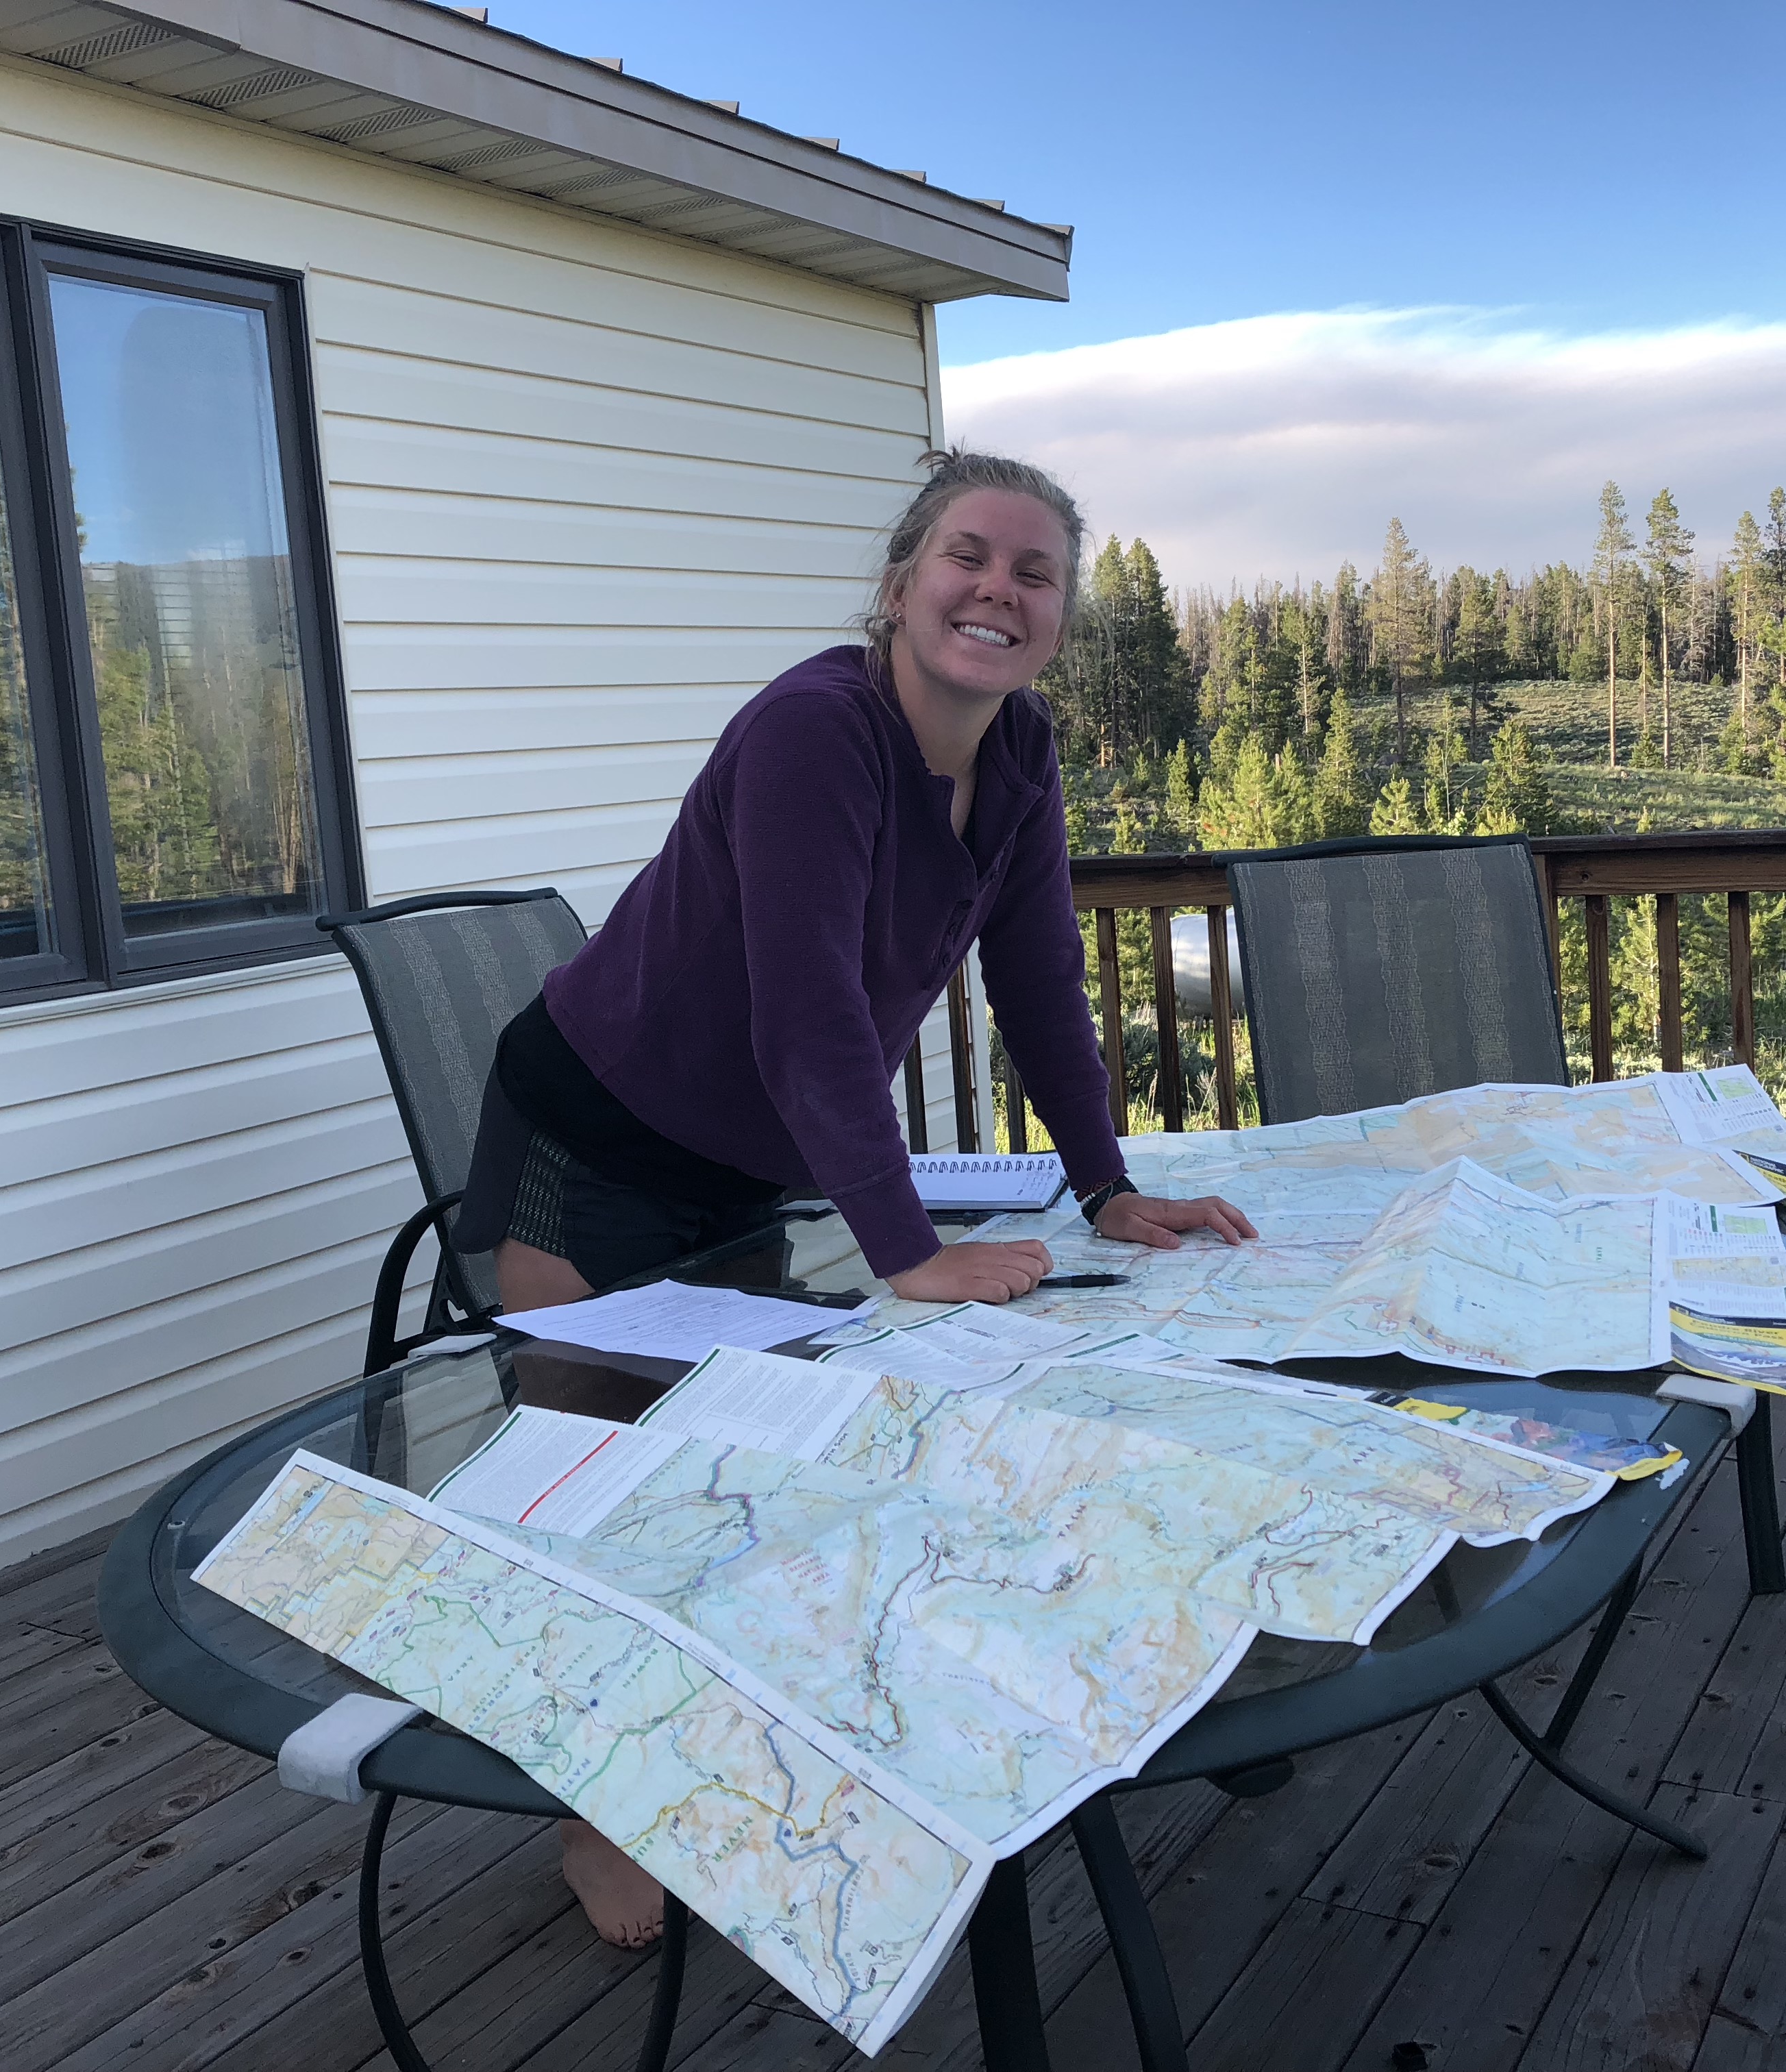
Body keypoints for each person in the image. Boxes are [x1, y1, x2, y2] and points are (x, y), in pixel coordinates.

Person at [449, 448, 1256, 1946]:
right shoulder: (814, 732)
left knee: (742, 1477)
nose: (996, 591)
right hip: (594, 1133)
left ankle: (717, 1764)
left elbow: (1038, 980)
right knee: (598, 1488)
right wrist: (907, 1252)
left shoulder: (1015, 760)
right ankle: (590, 1827)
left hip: (743, 1160)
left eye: (1035, 574)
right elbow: (810, 1016)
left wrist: (1108, 1187)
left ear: (1062, 621)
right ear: (899, 587)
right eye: (969, 556)